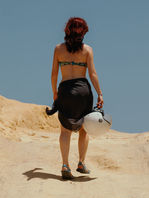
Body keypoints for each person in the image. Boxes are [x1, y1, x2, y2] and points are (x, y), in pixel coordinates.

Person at [49, 17, 103, 180]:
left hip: (65, 90)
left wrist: (55, 93)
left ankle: (65, 165)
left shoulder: (58, 49)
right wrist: (99, 92)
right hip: (83, 91)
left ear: (67, 31)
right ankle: (81, 162)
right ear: (84, 32)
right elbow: (92, 74)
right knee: (84, 129)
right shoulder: (87, 50)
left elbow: (54, 74)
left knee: (65, 131)